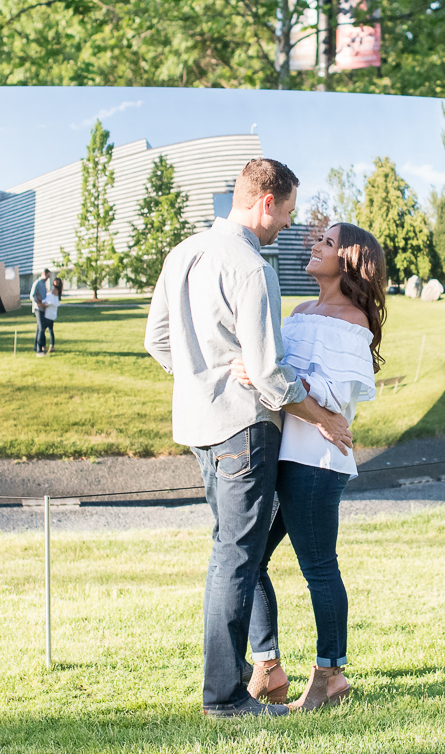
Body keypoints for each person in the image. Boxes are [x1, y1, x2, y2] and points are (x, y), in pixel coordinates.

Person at [145, 158, 353, 718]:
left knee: (229, 552)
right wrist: (320, 416)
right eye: (286, 214)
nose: (286, 226)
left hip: (198, 428)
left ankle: (243, 673)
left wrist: (200, 376)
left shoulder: (183, 252)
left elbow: (156, 339)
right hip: (244, 428)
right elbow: (268, 373)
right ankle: (225, 697)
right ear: (266, 203)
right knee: (237, 558)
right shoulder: (251, 265)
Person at [232, 223, 386, 711]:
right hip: (279, 452)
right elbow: (275, 372)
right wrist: (257, 370)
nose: (314, 246)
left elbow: (335, 395)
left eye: (326, 242)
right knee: (249, 559)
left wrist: (272, 375)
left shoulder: (354, 320)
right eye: (316, 239)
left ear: (348, 259)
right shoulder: (298, 313)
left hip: (318, 463)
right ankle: (269, 668)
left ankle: (330, 675)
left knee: (318, 567)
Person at [31, 268, 51, 358]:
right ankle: (39, 350)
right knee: (42, 328)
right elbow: (31, 295)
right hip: (38, 309)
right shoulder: (37, 283)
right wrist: (39, 304)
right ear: (44, 274)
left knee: (39, 328)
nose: (48, 278)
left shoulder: (44, 284)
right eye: (48, 276)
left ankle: (36, 347)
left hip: (43, 309)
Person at [41, 277, 62, 354]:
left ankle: (43, 346)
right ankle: (52, 346)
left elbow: (47, 302)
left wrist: (41, 303)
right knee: (51, 331)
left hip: (48, 315)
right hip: (53, 315)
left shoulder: (54, 292)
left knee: (42, 331)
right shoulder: (59, 292)